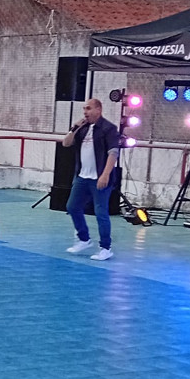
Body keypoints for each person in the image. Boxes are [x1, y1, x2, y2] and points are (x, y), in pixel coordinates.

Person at [61, 98, 120, 261]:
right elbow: (66, 143)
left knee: (101, 212)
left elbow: (113, 153)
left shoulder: (109, 128)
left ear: (98, 110)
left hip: (99, 178)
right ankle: (84, 239)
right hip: (82, 177)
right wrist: (74, 128)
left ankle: (106, 248)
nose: (85, 112)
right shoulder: (83, 128)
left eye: (88, 108)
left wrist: (106, 174)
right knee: (72, 207)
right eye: (84, 109)